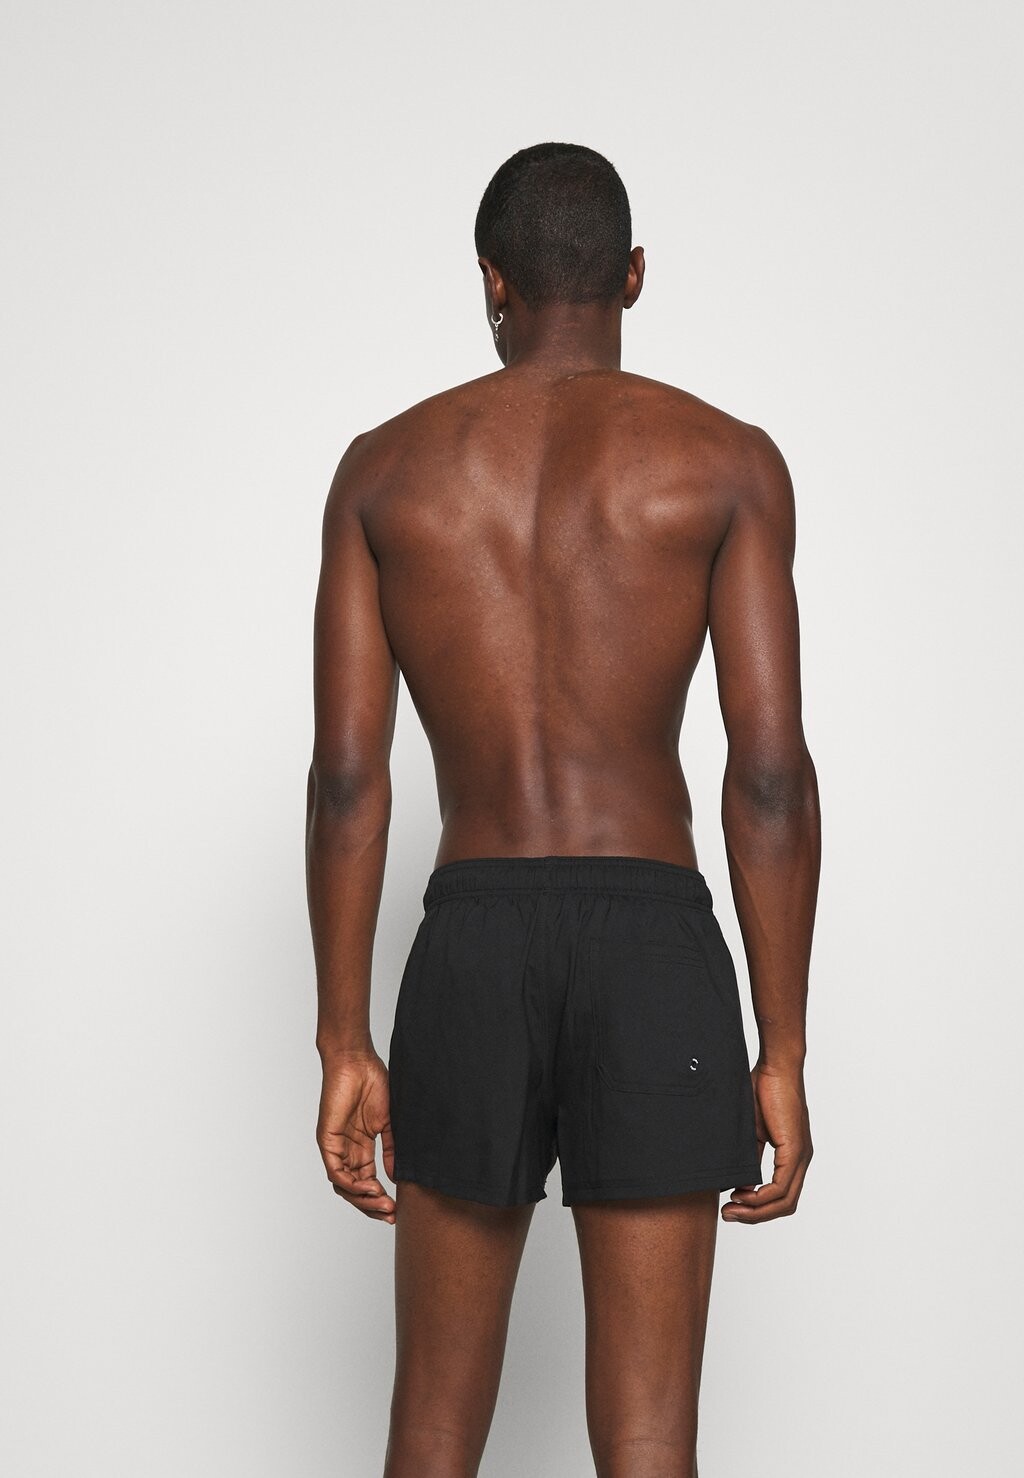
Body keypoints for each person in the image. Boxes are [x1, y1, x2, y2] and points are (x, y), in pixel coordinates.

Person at [305, 141, 820, 1478]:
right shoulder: (726, 462)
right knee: (648, 1440)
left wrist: (345, 1037)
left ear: (493, 282)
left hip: (472, 939)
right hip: (653, 943)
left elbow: (349, 777)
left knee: (431, 1430)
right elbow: (768, 773)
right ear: (634, 275)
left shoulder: (384, 471)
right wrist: (782, 1047)